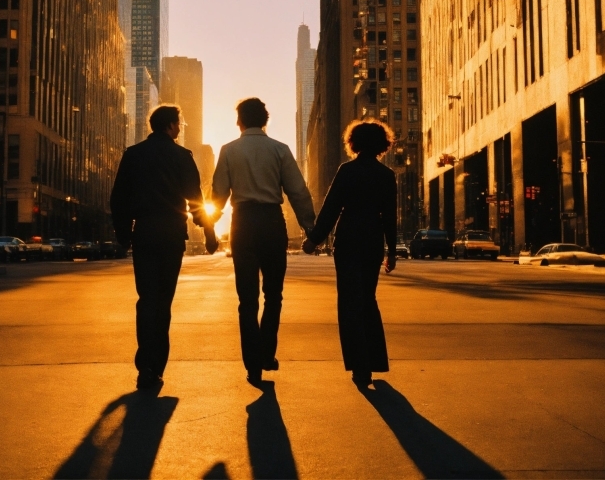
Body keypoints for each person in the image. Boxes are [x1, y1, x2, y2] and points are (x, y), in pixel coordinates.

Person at [110, 104, 218, 390]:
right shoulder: (181, 156)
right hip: (171, 235)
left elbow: (119, 197)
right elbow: (196, 199)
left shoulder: (133, 155)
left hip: (143, 232)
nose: (180, 129)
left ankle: (144, 364)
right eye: (179, 124)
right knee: (163, 302)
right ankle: (156, 365)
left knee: (146, 298)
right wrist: (208, 232)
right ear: (170, 126)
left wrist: (123, 233)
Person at [212, 97, 315, 387]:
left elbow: (218, 193)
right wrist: (310, 227)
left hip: (242, 223)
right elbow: (298, 191)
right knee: (273, 294)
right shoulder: (280, 150)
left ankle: (252, 365)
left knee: (247, 299)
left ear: (239, 121)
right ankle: (267, 354)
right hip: (272, 223)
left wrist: (209, 226)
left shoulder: (229, 150)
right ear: (266, 120)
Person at [303, 120, 397, 386]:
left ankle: (360, 367)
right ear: (382, 143)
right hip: (372, 240)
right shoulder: (386, 175)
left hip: (348, 241)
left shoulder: (347, 171)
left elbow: (331, 208)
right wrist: (392, 251)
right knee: (368, 299)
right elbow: (390, 217)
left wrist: (314, 240)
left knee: (349, 303)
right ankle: (374, 360)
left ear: (353, 142)